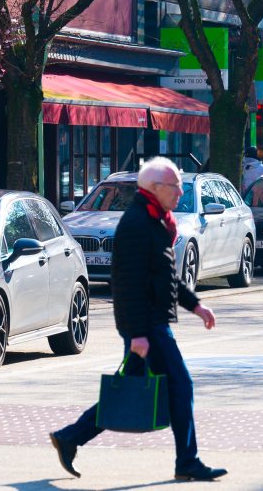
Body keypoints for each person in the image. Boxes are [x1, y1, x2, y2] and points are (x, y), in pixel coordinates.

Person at [50, 157, 226, 482]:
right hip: (148, 325)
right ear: (154, 188)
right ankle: (187, 462)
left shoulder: (156, 221)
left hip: (150, 323)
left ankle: (71, 437)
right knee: (180, 386)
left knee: (130, 386)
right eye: (175, 186)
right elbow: (127, 284)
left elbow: (164, 277)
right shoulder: (137, 224)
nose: (180, 192)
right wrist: (137, 334)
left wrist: (196, 305)